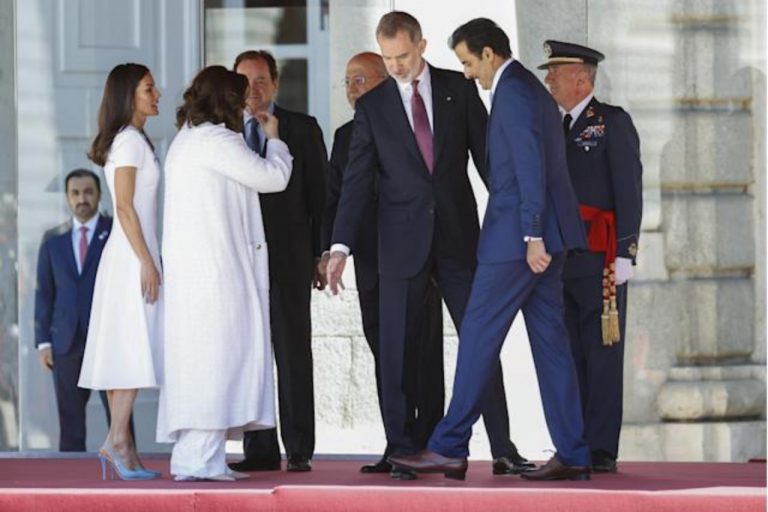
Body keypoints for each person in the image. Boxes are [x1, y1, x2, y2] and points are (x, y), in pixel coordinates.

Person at [326, 11, 529, 479]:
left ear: (421, 44)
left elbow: (491, 165)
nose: (394, 65)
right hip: (400, 245)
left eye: (401, 55)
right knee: (395, 351)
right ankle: (402, 449)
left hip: (459, 239)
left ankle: (503, 447)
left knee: (481, 343)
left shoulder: (459, 91)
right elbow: (356, 181)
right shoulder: (373, 106)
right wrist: (340, 246)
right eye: (387, 57)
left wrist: (518, 223)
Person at [390, 18, 591, 481]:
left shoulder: (514, 90)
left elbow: (528, 166)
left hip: (518, 242)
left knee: (478, 336)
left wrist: (532, 234)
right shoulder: (520, 88)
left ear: (488, 54)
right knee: (552, 346)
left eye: (466, 62)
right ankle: (574, 452)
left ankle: (448, 445)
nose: (465, 73)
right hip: (538, 237)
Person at [157, 65, 292, 482]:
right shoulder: (216, 141)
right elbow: (273, 178)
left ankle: (200, 456)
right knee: (217, 361)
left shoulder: (187, 139)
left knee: (205, 362)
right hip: (217, 272)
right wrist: (275, 141)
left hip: (200, 273)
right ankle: (200, 459)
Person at [320, 52, 446, 475]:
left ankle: (426, 443)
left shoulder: (412, 124)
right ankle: (398, 443)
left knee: (421, 356)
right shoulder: (342, 136)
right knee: (385, 357)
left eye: (361, 80)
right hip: (372, 265)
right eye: (348, 81)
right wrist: (331, 250)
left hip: (414, 259)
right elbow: (337, 198)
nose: (354, 89)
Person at [539, 40, 643, 473]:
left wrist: (626, 253)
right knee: (566, 353)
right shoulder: (550, 125)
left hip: (600, 257)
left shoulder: (611, 123)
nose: (548, 81)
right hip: (561, 257)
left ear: (581, 78)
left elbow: (629, 190)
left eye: (555, 74)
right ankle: (572, 443)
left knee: (601, 354)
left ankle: (600, 448)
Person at [228, 50, 326, 474]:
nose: (255, 88)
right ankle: (260, 448)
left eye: (263, 79)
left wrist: (322, 255)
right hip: (240, 263)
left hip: (288, 261)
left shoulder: (302, 129)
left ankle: (300, 447)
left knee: (291, 352)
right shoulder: (222, 134)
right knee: (251, 354)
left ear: (276, 82)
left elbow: (321, 199)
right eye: (246, 80)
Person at [78, 63, 163, 480]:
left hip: (129, 252)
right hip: (133, 255)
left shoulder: (128, 140)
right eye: (149, 88)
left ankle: (121, 442)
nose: (157, 93)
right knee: (131, 347)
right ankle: (117, 440)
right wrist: (147, 261)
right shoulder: (129, 142)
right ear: (130, 94)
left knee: (125, 348)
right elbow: (126, 206)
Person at [34, 169, 112, 452]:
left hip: (106, 341)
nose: (82, 199)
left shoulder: (115, 232)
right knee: (70, 425)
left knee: (119, 423)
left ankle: (127, 472)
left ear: (99, 195)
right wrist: (43, 342)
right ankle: (71, 483)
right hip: (65, 343)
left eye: (88, 192)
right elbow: (44, 293)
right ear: (67, 198)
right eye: (75, 193)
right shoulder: (53, 240)